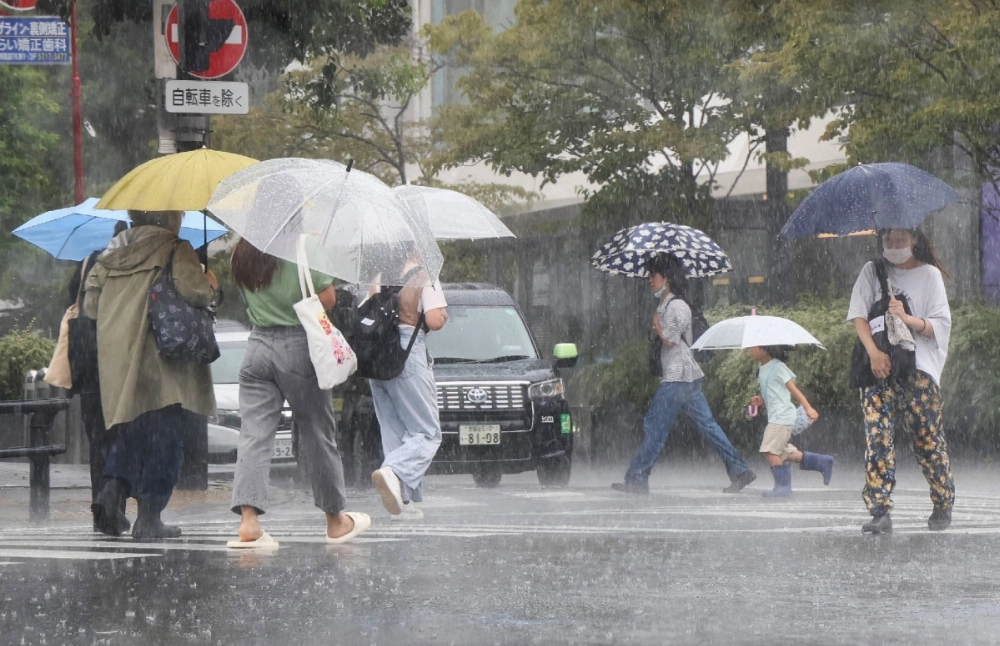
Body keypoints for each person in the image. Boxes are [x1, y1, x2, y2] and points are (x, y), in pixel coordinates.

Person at [227, 237, 370, 548]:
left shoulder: (242, 250)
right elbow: (329, 298)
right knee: (318, 432)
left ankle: (248, 521)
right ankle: (335, 521)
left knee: (254, 435)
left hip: (257, 347)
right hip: (298, 345)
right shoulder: (302, 246)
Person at [85, 211, 217, 540]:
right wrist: (210, 284)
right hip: (162, 354)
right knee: (167, 434)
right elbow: (195, 292)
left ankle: (110, 494)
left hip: (121, 358)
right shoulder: (175, 248)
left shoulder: (110, 253)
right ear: (169, 215)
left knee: (132, 432)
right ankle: (149, 516)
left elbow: (90, 306)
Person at [612, 254, 757, 495]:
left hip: (678, 376)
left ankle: (637, 478)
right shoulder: (667, 304)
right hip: (686, 377)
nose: (650, 280)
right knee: (708, 426)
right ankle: (740, 470)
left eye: (653, 275)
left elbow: (669, 340)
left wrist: (657, 325)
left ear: (666, 278)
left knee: (654, 427)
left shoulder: (677, 306)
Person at [848, 228, 954, 534]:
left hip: (918, 368)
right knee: (877, 435)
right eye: (888, 240)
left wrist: (908, 320)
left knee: (927, 437)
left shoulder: (930, 275)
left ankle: (943, 499)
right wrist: (873, 353)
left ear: (915, 240)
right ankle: (879, 509)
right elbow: (858, 316)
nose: (894, 246)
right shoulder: (872, 271)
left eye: (900, 240)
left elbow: (939, 326)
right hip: (878, 367)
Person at [368, 251, 449, 521]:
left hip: (377, 355)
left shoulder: (379, 276)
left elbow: (367, 309)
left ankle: (403, 501)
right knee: (427, 433)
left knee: (394, 430)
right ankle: (394, 471)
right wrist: (443, 314)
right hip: (407, 351)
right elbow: (435, 319)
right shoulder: (424, 273)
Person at [69, 222, 130, 532]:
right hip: (114, 365)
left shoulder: (88, 264)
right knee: (122, 438)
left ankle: (101, 510)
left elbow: (72, 301)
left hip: (87, 367)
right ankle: (111, 503)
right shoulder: (124, 265)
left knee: (98, 445)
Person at [747, 345, 832, 497]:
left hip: (782, 416)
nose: (750, 350)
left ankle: (783, 487)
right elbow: (773, 392)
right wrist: (760, 400)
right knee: (783, 452)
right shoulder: (762, 368)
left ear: (765, 349)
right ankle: (822, 462)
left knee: (769, 450)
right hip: (776, 416)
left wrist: (808, 408)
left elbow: (793, 390)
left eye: (754, 347)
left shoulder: (778, 367)